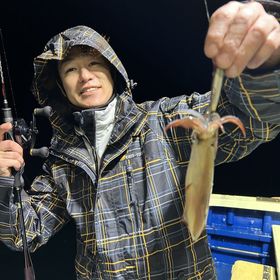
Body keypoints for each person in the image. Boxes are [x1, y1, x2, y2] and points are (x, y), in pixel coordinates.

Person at [0, 1, 280, 279]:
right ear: (61, 86)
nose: (85, 76)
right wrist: (2, 180)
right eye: (71, 70)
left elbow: (257, 120)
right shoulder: (62, 162)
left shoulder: (165, 121)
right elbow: (24, 234)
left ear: (113, 71)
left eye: (94, 63)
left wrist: (263, 66)